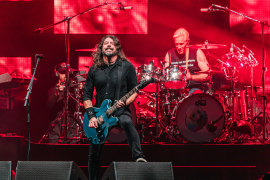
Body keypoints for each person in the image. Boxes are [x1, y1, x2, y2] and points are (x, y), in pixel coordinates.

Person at [83, 35, 146, 180]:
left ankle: (139, 156)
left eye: (112, 43)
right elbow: (86, 95)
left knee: (127, 122)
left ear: (117, 47)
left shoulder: (127, 66)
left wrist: (125, 102)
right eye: (106, 43)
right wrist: (91, 116)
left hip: (120, 111)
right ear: (101, 48)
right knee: (94, 150)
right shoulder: (94, 69)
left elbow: (135, 90)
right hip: (100, 114)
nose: (109, 45)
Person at [164, 27, 210, 94]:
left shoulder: (197, 52)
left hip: (194, 87)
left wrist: (191, 77)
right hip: (175, 89)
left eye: (181, 44)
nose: (179, 47)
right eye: (176, 44)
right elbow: (165, 76)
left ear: (188, 42)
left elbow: (207, 75)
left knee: (196, 94)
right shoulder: (169, 54)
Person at [46, 62, 79, 143]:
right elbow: (49, 106)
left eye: (66, 73)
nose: (65, 75)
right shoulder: (52, 89)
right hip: (57, 122)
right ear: (57, 74)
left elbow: (79, 105)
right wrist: (56, 93)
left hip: (71, 121)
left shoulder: (74, 87)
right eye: (62, 73)